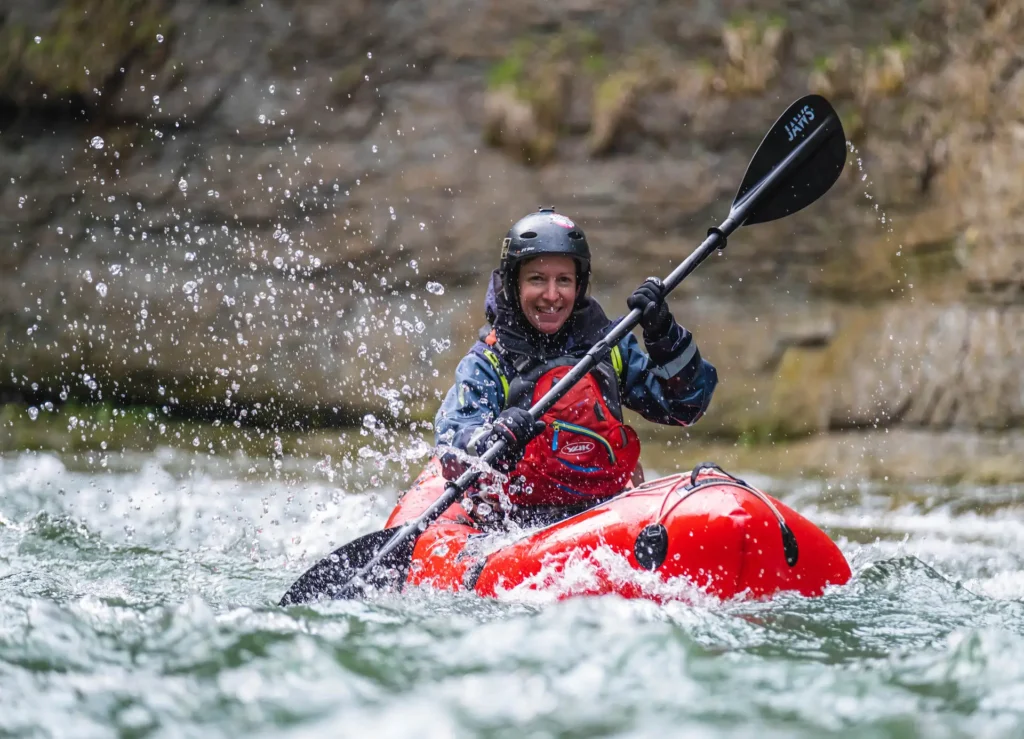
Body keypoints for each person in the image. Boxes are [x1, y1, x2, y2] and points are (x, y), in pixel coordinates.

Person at [434, 207, 718, 527]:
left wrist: (665, 335)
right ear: (514, 284)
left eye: (564, 280)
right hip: (513, 527)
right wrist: (493, 439)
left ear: (579, 286)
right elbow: (452, 445)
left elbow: (686, 407)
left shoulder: (608, 349)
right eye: (537, 279)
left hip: (605, 516)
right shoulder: (488, 363)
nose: (552, 295)